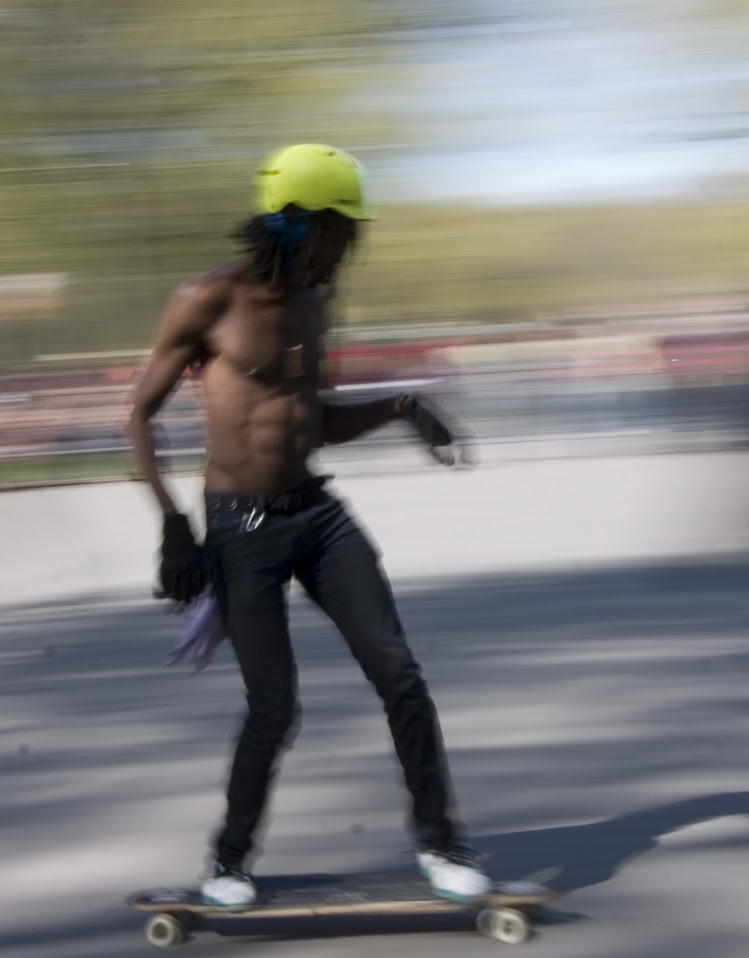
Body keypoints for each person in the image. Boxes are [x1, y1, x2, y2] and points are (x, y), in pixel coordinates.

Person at [123, 143, 490, 907]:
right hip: (239, 527)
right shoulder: (206, 300)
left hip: (317, 516)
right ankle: (228, 861)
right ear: (300, 224)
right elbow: (137, 414)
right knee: (276, 705)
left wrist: (404, 408)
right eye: (343, 231)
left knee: (400, 674)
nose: (352, 247)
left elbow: (309, 422)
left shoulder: (318, 302)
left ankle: (443, 842)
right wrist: (172, 525)